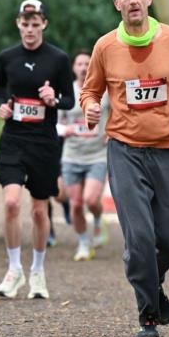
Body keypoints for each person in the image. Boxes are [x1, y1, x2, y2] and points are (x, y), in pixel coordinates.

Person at [81, 0, 169, 337]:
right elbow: (90, 91)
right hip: (125, 151)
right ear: (117, 4)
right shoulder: (105, 47)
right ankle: (147, 314)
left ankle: (154, 282)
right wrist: (89, 109)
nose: (132, 1)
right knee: (139, 237)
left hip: (168, 149)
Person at [0, 0, 75, 300]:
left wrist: (54, 99)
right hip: (13, 139)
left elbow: (70, 100)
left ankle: (37, 272)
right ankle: (14, 270)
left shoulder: (58, 58)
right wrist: (2, 106)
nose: (30, 29)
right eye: (25, 24)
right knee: (12, 203)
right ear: (18, 24)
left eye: (35, 23)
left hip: (43, 142)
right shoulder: (7, 57)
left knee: (40, 211)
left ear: (44, 24)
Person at [58, 50, 111, 262]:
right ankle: (83, 242)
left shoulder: (105, 92)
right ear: (73, 68)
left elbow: (117, 113)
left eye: (87, 64)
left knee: (90, 200)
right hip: (71, 155)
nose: (82, 67)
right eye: (79, 64)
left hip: (97, 154)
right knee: (76, 204)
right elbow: (56, 123)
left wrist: (110, 130)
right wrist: (65, 130)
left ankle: (98, 220)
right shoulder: (66, 93)